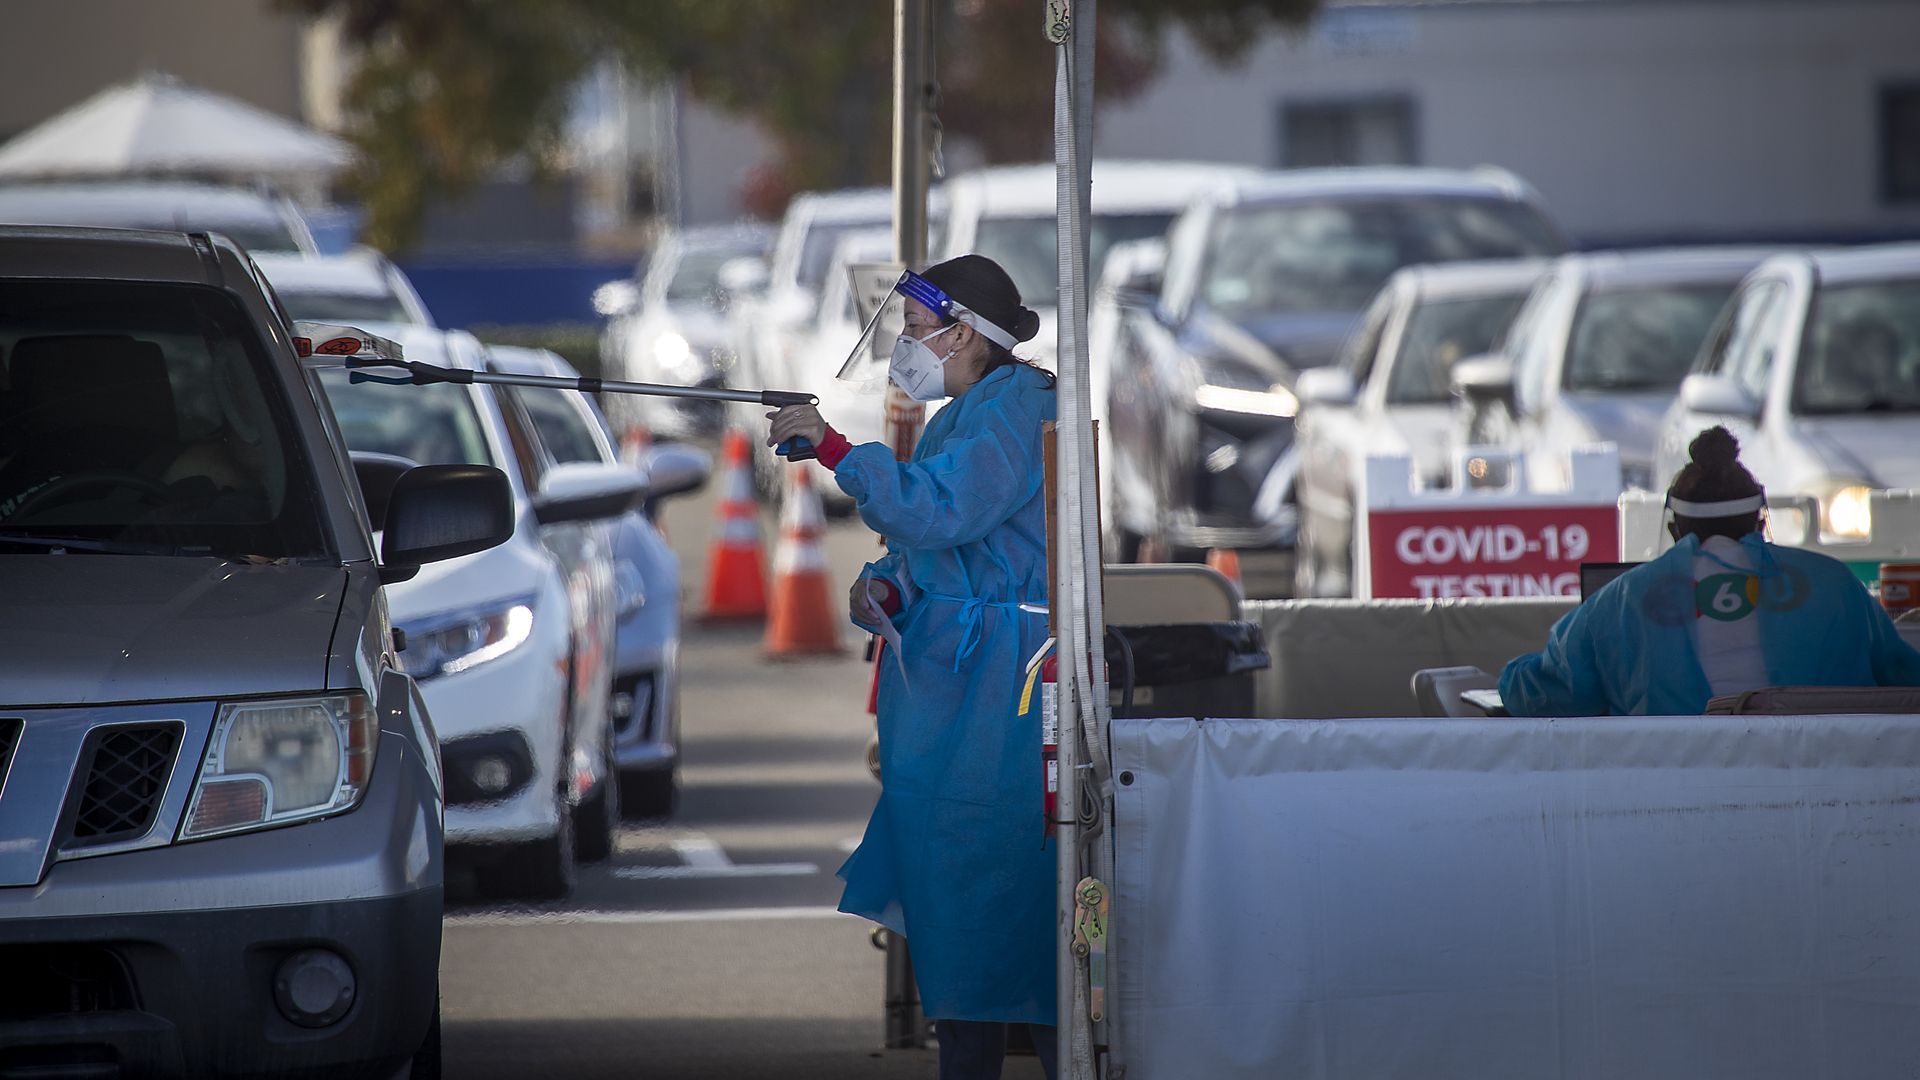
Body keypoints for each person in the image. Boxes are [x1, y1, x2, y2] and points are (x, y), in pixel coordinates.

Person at [766, 254, 1058, 1079]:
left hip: (1006, 690)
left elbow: (941, 506)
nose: (907, 343)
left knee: (1015, 902)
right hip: (951, 692)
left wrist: (832, 447)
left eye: (917, 328)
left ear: (964, 332)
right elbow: (930, 542)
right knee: (952, 908)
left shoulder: (1022, 410)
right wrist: (886, 586)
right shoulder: (961, 416)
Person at [1501, 426, 1920, 716]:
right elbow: (1902, 680)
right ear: (1760, 521)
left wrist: (1508, 675)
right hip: (1828, 783)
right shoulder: (1835, 584)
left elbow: (1548, 695)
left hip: (1680, 793)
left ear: (1674, 529)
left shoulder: (1619, 600)